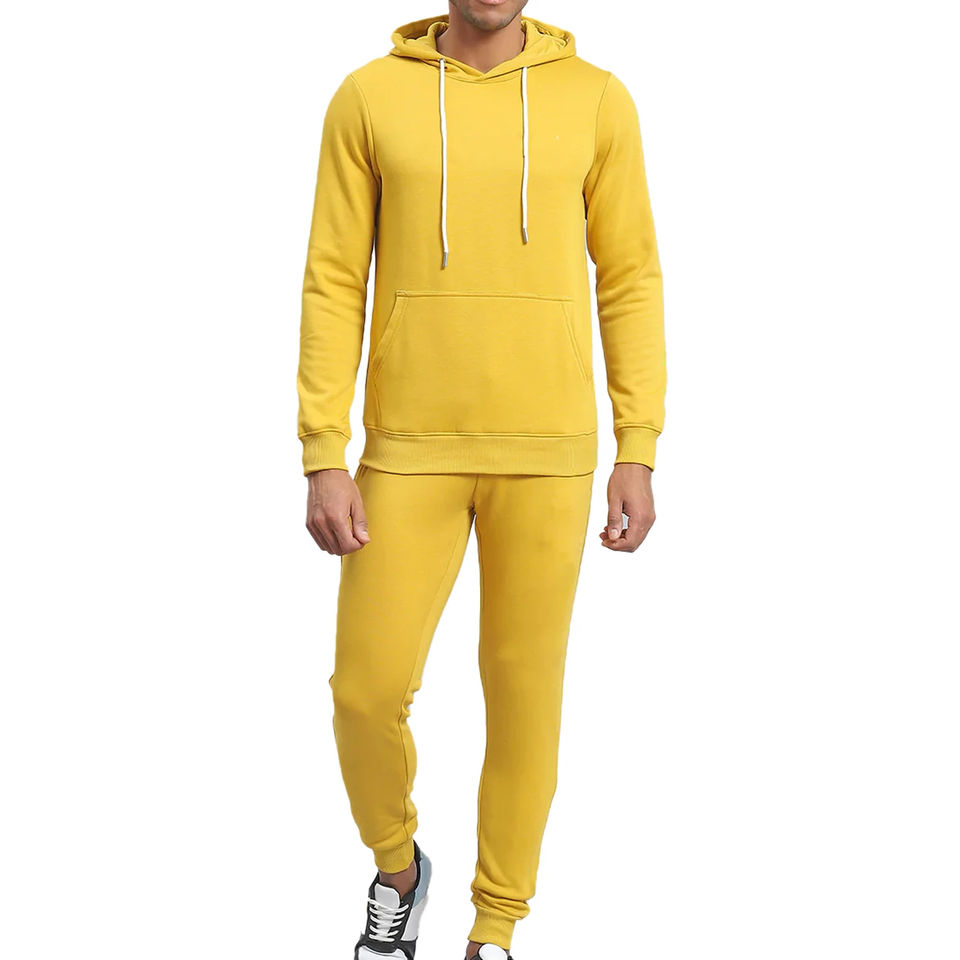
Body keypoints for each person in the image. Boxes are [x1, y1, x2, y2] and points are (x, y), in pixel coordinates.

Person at [296, 2, 665, 958]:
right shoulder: (367, 97)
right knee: (364, 691)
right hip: (407, 448)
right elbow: (334, 277)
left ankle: (495, 926)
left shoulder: (598, 100)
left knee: (523, 695)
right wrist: (323, 449)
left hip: (548, 452)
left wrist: (638, 443)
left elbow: (629, 276)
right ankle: (397, 867)